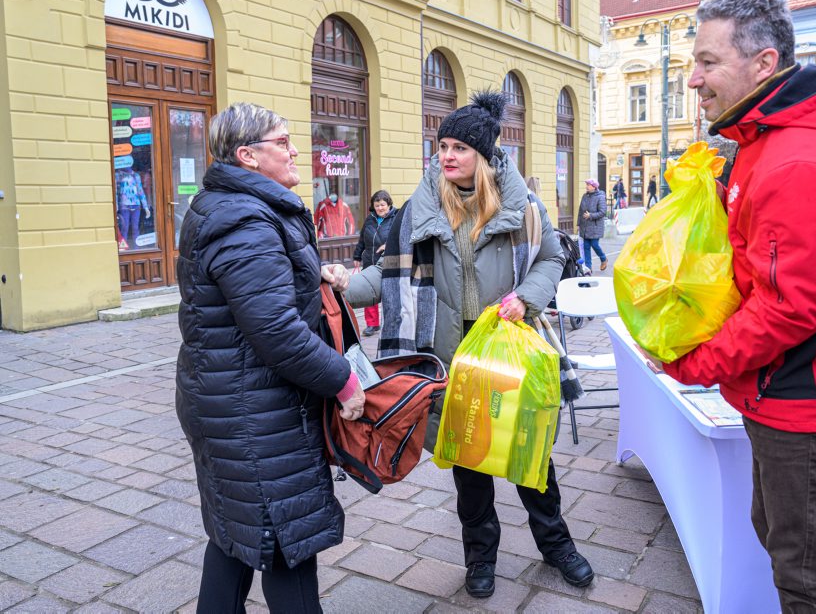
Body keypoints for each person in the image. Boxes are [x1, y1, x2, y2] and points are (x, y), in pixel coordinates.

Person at [657, 0, 816, 610]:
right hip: (792, 393)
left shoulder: (799, 159)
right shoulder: (768, 143)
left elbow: (788, 308)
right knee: (781, 540)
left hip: (814, 399)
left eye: (708, 63)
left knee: (809, 580)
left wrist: (695, 362)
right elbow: (755, 266)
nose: (695, 80)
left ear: (764, 64)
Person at [325, 91, 594, 598]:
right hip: (450, 360)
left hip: (510, 352)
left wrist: (526, 299)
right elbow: (386, 274)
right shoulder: (420, 207)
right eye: (443, 145)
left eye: (459, 147)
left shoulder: (523, 205)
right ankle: (481, 560)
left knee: (532, 460)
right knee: (470, 470)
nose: (447, 155)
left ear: (485, 155)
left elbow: (552, 258)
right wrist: (345, 284)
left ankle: (557, 547)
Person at [175, 102, 366, 614]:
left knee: (236, 537)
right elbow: (276, 331)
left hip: (231, 401)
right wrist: (343, 381)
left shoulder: (234, 208)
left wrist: (310, 274)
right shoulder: (245, 220)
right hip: (255, 413)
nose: (295, 149)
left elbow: (258, 293)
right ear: (248, 156)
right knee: (287, 541)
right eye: (282, 142)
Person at [353, 190, 397, 336]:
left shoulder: (396, 217)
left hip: (388, 262)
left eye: (383, 205)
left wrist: (389, 245)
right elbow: (362, 239)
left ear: (389, 204)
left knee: (389, 293)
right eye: (377, 205)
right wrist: (357, 256)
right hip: (369, 260)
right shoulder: (370, 219)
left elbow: (402, 237)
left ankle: (391, 323)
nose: (380, 208)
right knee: (369, 292)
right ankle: (372, 324)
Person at [577, 178, 608, 272]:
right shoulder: (584, 196)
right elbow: (580, 211)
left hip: (595, 226)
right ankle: (588, 268)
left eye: (588, 185)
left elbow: (603, 212)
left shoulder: (600, 197)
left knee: (594, 244)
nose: (586, 186)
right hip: (585, 226)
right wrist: (578, 223)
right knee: (586, 247)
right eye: (586, 184)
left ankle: (603, 259)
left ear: (594, 187)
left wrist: (591, 215)